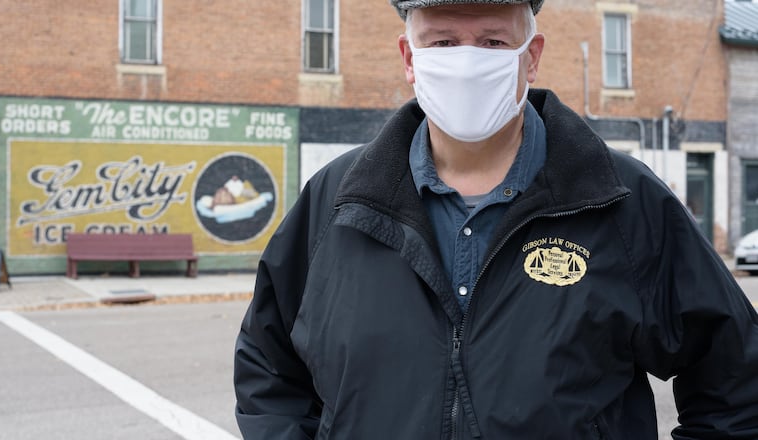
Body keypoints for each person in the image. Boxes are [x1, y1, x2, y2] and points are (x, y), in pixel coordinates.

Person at [234, 0, 758, 438]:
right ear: (409, 58)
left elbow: (737, 381)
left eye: (491, 42)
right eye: (441, 42)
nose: (465, 63)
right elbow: (268, 366)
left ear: (531, 57)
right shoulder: (338, 202)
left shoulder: (622, 201)